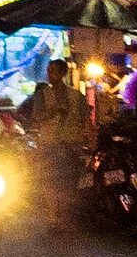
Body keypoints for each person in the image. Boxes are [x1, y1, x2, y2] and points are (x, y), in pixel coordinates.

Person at [22, 60, 89, 224]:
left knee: (68, 182)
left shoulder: (77, 96)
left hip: (71, 145)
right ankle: (52, 217)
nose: (50, 74)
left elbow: (86, 120)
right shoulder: (41, 96)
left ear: (62, 74)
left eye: (53, 71)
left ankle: (64, 217)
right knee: (50, 181)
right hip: (50, 144)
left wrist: (88, 142)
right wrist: (53, 111)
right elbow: (36, 118)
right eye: (49, 70)